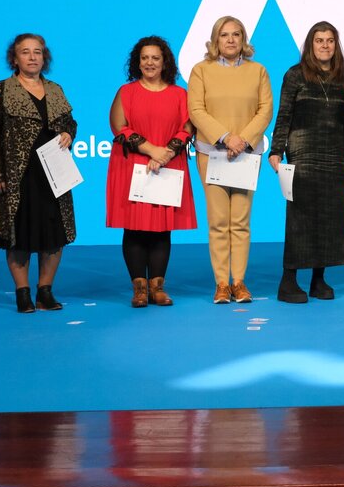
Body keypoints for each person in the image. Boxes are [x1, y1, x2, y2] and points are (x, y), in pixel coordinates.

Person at [0, 33, 76, 313]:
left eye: (37, 52)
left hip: (53, 173)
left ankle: (45, 291)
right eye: (25, 52)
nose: (32, 57)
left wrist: (69, 132)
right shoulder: (1, 90)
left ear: (45, 58)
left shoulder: (55, 89)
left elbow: (70, 121)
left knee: (55, 233)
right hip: (17, 175)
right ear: (14, 58)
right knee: (18, 233)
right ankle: (22, 293)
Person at [187, 16, 273, 304]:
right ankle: (222, 283)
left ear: (244, 39)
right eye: (224, 35)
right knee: (218, 221)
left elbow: (265, 110)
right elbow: (196, 110)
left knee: (240, 221)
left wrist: (243, 140)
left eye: (237, 34)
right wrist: (225, 137)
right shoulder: (201, 70)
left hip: (246, 155)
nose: (231, 40)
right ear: (215, 40)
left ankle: (239, 282)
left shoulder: (258, 71)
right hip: (212, 154)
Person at [268, 21, 344, 303]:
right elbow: (284, 114)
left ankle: (319, 280)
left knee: (329, 218)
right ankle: (288, 281)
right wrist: (276, 150)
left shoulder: (342, 77)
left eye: (330, 40)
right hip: (302, 153)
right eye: (319, 40)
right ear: (310, 45)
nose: (325, 45)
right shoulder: (295, 74)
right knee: (301, 219)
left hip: (333, 155)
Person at [106, 36, 196, 308]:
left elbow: (187, 128)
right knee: (134, 228)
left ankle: (157, 288)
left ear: (164, 62)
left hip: (168, 165)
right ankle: (139, 290)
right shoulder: (126, 92)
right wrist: (151, 150)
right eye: (144, 58)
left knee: (161, 229)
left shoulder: (180, 94)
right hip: (133, 165)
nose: (150, 63)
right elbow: (119, 126)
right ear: (137, 62)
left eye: (155, 58)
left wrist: (165, 153)